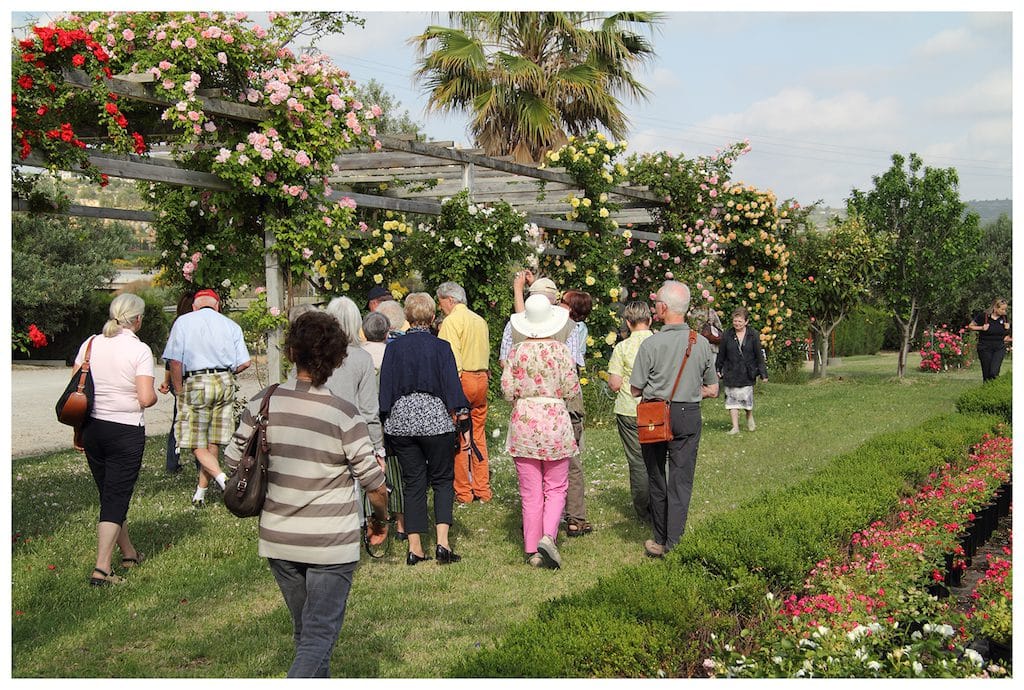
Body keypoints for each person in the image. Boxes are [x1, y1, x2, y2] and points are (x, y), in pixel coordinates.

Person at [224, 311, 389, 678]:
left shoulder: (262, 404)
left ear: (292, 352)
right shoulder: (344, 415)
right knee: (318, 637)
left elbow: (234, 457)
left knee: (307, 635)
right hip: (330, 543)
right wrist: (382, 519)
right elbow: (373, 483)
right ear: (335, 359)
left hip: (280, 538)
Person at [378, 293, 470, 565]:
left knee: (412, 482)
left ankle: (414, 547)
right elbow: (452, 386)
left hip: (402, 421)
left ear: (407, 318)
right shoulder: (442, 348)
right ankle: (443, 543)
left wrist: (385, 419)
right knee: (442, 480)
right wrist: (462, 417)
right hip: (436, 420)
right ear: (432, 318)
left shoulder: (393, 349)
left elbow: (386, 389)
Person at [630, 281, 719, 557]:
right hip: (688, 413)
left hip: (656, 415)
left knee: (657, 475)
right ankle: (675, 541)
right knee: (681, 479)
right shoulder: (701, 343)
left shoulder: (651, 344)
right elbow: (713, 389)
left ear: (663, 308)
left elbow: (635, 389)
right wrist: (689, 391)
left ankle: (659, 537)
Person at [75, 293, 158, 586]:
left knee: (109, 494)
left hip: (93, 428)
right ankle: (102, 569)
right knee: (116, 496)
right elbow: (145, 397)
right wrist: (156, 394)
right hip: (124, 430)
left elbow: (77, 387)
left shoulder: (90, 344)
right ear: (137, 320)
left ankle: (129, 553)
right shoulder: (140, 351)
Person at [502, 294, 581, 569]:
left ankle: (532, 547)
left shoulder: (516, 351)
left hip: (525, 423)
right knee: (556, 487)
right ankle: (548, 537)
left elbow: (507, 390)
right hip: (556, 423)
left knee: (530, 491)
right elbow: (572, 390)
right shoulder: (560, 351)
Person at [323, 296, 405, 538]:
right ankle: (353, 529)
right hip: (351, 430)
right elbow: (369, 409)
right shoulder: (360, 358)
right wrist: (378, 448)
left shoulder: (316, 355)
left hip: (320, 428)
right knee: (352, 485)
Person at [162, 288, 251, 508]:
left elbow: (174, 361)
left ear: (194, 306)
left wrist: (180, 390)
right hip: (224, 381)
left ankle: (224, 481)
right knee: (213, 440)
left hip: (197, 381)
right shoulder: (231, 325)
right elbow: (244, 362)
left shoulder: (183, 322)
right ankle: (200, 493)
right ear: (217, 305)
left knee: (193, 441)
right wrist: (226, 373)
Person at [436, 281, 492, 504]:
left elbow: (450, 361)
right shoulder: (479, 320)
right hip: (481, 379)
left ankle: (463, 492)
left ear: (450, 300)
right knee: (478, 434)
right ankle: (483, 489)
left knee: (459, 437)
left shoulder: (451, 322)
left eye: (441, 304)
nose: (441, 309)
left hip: (462, 380)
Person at [607, 301, 654, 523]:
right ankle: (660, 504)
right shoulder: (659, 343)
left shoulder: (622, 347)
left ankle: (643, 510)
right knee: (658, 457)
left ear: (628, 322)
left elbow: (615, 384)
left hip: (629, 408)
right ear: (650, 319)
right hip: (656, 408)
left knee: (637, 461)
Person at [716, 306, 769, 434]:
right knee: (732, 400)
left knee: (746, 399)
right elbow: (721, 353)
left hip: (747, 372)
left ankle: (749, 416)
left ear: (746, 322)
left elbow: (759, 355)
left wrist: (763, 373)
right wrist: (718, 368)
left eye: (740, 321)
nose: (737, 323)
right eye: (735, 320)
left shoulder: (753, 335)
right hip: (731, 371)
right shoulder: (727, 334)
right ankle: (735, 427)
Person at [159, 291, 194, 475]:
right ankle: (201, 464)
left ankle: (172, 463)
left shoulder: (177, 324)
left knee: (177, 420)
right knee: (198, 422)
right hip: (191, 377)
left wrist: (167, 381)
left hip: (177, 378)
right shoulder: (195, 326)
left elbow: (171, 359)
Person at [967, 298, 1012, 382]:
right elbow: (970, 326)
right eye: (1002, 309)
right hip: (984, 347)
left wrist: (1008, 328)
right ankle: (987, 392)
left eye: (1005, 309)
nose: (1004, 311)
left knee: (994, 372)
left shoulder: (1005, 318)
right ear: (995, 308)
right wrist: (981, 328)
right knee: (987, 374)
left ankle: (994, 389)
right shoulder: (983, 316)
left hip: (999, 348)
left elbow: (1008, 334)